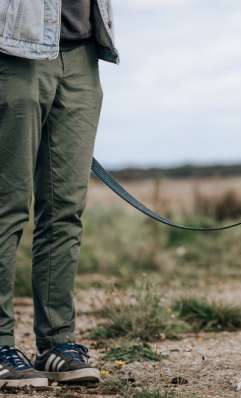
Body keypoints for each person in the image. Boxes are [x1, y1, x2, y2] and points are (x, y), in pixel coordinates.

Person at [0, 0, 118, 387]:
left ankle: (56, 343)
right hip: (15, 48)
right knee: (7, 208)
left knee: (65, 210)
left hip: (83, 51)